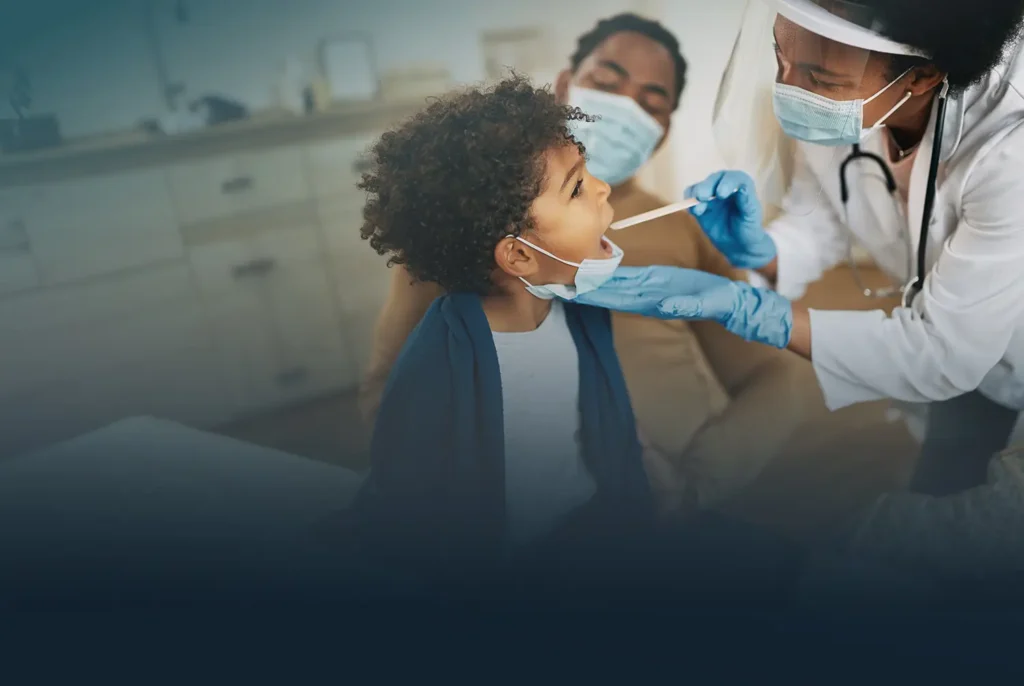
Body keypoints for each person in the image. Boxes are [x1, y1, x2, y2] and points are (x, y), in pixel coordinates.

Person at [345, 75, 803, 600]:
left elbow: (602, 421)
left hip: (602, 533)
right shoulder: (440, 362)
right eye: (579, 186)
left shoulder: (580, 311)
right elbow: (408, 491)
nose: (604, 187)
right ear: (518, 255)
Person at [576, 0, 1024, 498]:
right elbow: (824, 224)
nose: (791, 90)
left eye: (821, 80)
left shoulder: (1008, 153)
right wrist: (760, 250)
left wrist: (758, 313)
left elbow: (942, 353)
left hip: (1003, 349)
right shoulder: (837, 108)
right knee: (944, 484)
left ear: (921, 77)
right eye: (779, 60)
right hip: (963, 383)